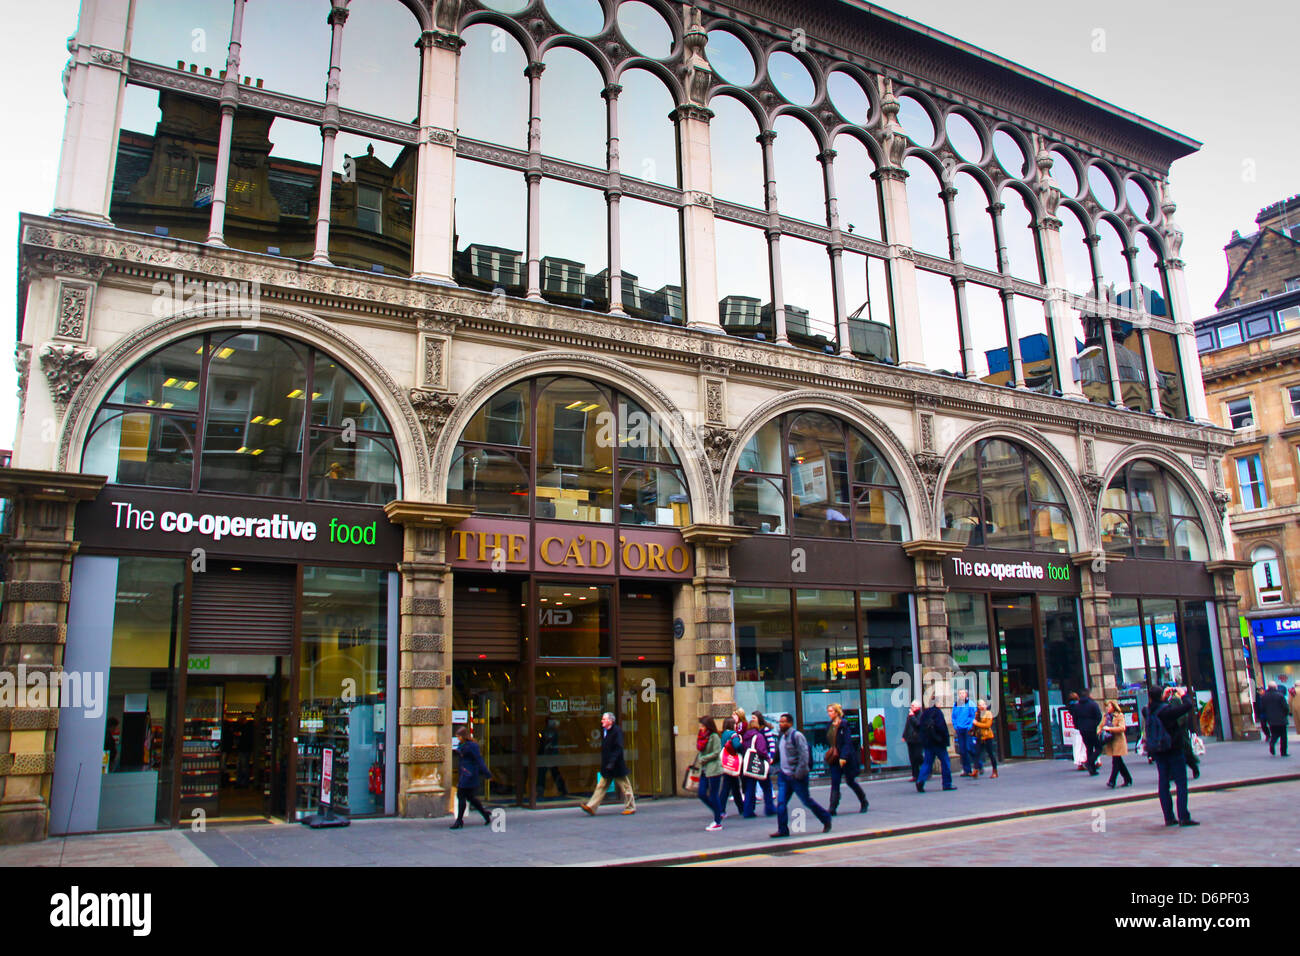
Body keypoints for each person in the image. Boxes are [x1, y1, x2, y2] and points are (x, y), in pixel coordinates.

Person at [770, 713, 832, 838]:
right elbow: (778, 755)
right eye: (780, 722)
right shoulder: (782, 737)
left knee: (806, 801)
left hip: (796, 777)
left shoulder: (797, 736)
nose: (781, 724)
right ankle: (782, 829)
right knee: (781, 803)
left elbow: (804, 756)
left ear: (790, 723)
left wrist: (798, 774)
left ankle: (826, 818)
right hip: (784, 776)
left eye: (783, 722)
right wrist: (772, 765)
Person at [1147, 686, 1198, 827]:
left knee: (1163, 783)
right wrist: (1183, 694)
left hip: (1158, 751)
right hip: (1174, 749)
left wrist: (1161, 697)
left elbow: (1152, 704)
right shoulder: (1168, 712)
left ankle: (1168, 817)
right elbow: (1187, 706)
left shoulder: (1148, 711)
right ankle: (1183, 816)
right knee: (1181, 783)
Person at [579, 713, 636, 815]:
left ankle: (630, 807)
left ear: (610, 721)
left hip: (616, 766)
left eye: (604, 719)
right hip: (608, 766)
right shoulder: (606, 731)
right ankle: (591, 807)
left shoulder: (616, 731)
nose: (602, 721)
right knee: (601, 786)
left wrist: (612, 762)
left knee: (625, 787)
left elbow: (618, 748)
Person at [825, 703, 868, 814]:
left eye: (831, 711)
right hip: (834, 758)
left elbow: (847, 743)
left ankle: (863, 800)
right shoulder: (829, 725)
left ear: (837, 712)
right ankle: (832, 807)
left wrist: (843, 756)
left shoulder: (844, 724)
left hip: (845, 758)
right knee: (835, 782)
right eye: (828, 711)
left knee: (850, 781)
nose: (829, 713)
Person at [450, 726, 493, 829]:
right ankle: (485, 814)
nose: (458, 738)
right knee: (470, 798)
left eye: (459, 736)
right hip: (465, 774)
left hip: (469, 775)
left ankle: (459, 820)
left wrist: (487, 774)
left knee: (461, 795)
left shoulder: (472, 746)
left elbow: (479, 760)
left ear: (463, 736)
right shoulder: (462, 745)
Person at [916, 700, 956, 793]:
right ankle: (947, 783)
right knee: (945, 762)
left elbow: (920, 727)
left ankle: (920, 780)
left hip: (928, 743)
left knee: (927, 763)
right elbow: (941, 727)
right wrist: (943, 739)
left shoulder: (925, 714)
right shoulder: (938, 713)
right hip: (938, 742)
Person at [740, 714, 773, 817]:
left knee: (750, 788)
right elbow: (761, 751)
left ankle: (748, 810)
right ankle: (770, 808)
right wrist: (767, 758)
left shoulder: (745, 737)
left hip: (748, 766)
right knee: (766, 787)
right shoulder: (759, 736)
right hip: (758, 765)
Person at [697, 716, 725, 831]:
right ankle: (718, 811)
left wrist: (703, 758)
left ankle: (717, 821)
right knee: (701, 793)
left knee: (713, 794)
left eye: (703, 725)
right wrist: (701, 758)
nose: (701, 727)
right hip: (704, 770)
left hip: (714, 769)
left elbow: (716, 752)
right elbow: (700, 751)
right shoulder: (702, 737)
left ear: (708, 726)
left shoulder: (714, 737)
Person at [1069, 689, 1103, 775]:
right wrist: (1094, 725)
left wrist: (1079, 727)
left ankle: (1092, 769)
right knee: (1099, 747)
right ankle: (1090, 762)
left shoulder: (1077, 706)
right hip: (1091, 729)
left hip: (1082, 730)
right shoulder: (1093, 704)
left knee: (1089, 748)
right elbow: (1099, 716)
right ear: (1089, 695)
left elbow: (1075, 719)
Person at [1100, 699, 1131, 788]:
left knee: (1116, 762)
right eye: (1106, 706)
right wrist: (1099, 731)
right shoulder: (1105, 716)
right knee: (1119, 762)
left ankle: (1112, 781)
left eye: (1108, 706)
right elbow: (1101, 725)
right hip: (1110, 741)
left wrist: (1110, 729)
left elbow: (1122, 728)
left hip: (1118, 741)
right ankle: (1128, 778)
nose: (1107, 708)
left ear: (1113, 707)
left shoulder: (1119, 715)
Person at [719, 717, 746, 815]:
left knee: (734, 787)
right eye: (735, 723)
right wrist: (741, 746)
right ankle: (721, 809)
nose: (736, 725)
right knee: (727, 787)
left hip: (725, 762)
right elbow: (737, 746)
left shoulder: (724, 734)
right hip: (733, 763)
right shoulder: (733, 734)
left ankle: (741, 808)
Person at [1260, 682, 1290, 757]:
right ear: (1275, 687)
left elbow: (1262, 708)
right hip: (1281, 719)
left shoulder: (1264, 696)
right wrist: (1285, 714)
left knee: (1274, 734)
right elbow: (1285, 707)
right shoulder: (1280, 695)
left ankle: (1272, 743)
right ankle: (1283, 752)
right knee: (1283, 736)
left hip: (1271, 719)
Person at [951, 689, 977, 777]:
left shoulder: (970, 704)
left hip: (967, 729)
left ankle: (978, 765)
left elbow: (973, 716)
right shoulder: (956, 704)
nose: (961, 695)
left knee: (969, 748)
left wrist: (970, 726)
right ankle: (967, 770)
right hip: (960, 729)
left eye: (963, 693)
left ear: (966, 694)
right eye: (960, 694)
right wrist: (955, 725)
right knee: (962, 750)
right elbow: (954, 716)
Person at [972, 699, 997, 779]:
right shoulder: (977, 713)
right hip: (979, 736)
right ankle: (975, 770)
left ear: (986, 705)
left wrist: (977, 723)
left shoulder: (988, 713)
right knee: (977, 753)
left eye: (983, 704)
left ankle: (994, 771)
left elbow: (988, 725)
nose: (981, 706)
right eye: (979, 705)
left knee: (990, 753)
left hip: (987, 736)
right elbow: (974, 723)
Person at [902, 700, 924, 781]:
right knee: (912, 758)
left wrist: (912, 717)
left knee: (918, 756)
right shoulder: (910, 715)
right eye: (911, 706)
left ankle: (925, 769)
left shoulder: (920, 715)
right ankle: (915, 775)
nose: (911, 707)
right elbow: (907, 726)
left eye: (913, 706)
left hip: (918, 739)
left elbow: (918, 724)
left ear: (918, 707)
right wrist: (904, 735)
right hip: (910, 738)